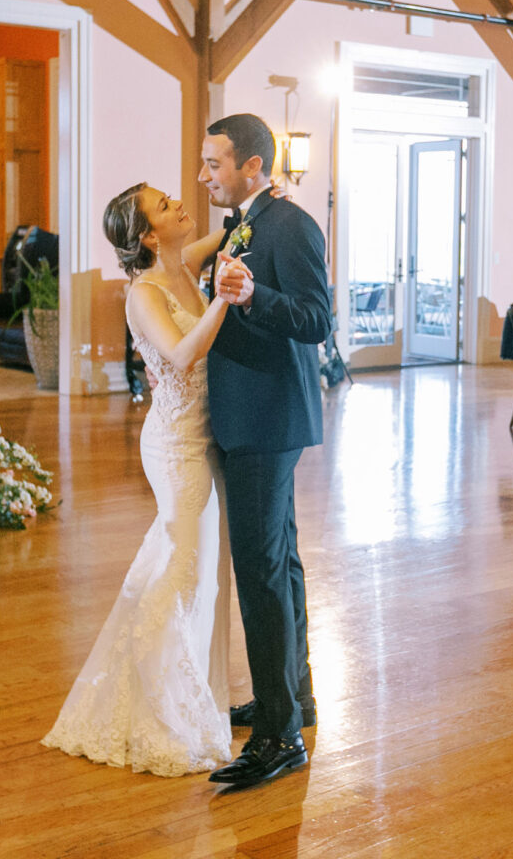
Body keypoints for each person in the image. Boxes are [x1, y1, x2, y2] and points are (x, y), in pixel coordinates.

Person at [42, 183, 241, 777]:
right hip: (176, 445)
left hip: (206, 438)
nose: (180, 203)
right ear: (148, 236)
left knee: (199, 570)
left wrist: (251, 210)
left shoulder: (183, 263)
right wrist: (225, 299)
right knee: (181, 567)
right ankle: (151, 696)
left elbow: (225, 237)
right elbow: (182, 357)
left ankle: (190, 691)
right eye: (164, 205)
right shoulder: (144, 293)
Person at [202, 112, 332, 789]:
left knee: (261, 572)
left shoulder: (291, 224)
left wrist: (256, 295)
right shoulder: (243, 223)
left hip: (266, 418)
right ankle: (293, 698)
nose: (204, 177)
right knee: (279, 563)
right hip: (247, 415)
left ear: (253, 166)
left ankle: (280, 738)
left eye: (214, 165)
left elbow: (317, 320)